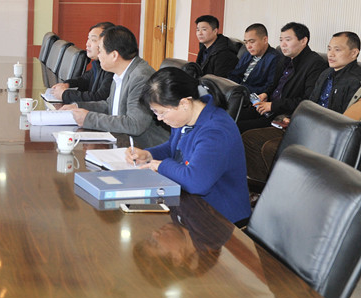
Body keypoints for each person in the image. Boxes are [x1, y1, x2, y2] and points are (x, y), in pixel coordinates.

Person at [126, 67, 251, 224]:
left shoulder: (215, 131)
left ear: (184, 103)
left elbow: (196, 183)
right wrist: (149, 155)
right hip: (189, 204)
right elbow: (174, 148)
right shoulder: (185, 117)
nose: (159, 119)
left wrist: (161, 166)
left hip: (220, 218)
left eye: (161, 112)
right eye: (155, 112)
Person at [243, 31, 361, 186]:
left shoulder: (356, 81)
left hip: (325, 137)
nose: (331, 54)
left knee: (271, 148)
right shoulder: (326, 73)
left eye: (337, 50)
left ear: (354, 53)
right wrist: (295, 119)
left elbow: (345, 122)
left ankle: (278, 189)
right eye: (329, 49)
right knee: (249, 139)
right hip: (307, 127)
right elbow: (310, 103)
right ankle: (262, 188)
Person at [62, 26, 168, 147]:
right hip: (122, 143)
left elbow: (134, 124)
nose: (98, 56)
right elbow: (110, 106)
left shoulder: (141, 77)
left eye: (100, 51)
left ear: (114, 55)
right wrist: (77, 106)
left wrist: (88, 118)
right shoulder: (120, 72)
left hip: (143, 149)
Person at [236, 22, 327, 132]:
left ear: (303, 41)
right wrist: (266, 94)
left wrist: (273, 105)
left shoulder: (315, 64)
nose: (283, 45)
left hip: (283, 116)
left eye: (288, 40)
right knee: (229, 117)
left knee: (237, 127)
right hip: (268, 108)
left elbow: (307, 101)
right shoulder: (285, 59)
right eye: (281, 40)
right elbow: (274, 85)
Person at [50, 21, 114, 103]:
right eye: (88, 39)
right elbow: (84, 80)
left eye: (93, 40)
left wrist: (65, 94)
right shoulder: (97, 63)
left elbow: (99, 97)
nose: (87, 44)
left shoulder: (111, 69)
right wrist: (67, 84)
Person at [226, 23, 280, 94]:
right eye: (246, 42)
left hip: (252, 95)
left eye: (252, 42)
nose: (248, 46)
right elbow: (234, 74)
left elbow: (269, 88)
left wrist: (242, 87)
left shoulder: (274, 58)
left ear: (265, 40)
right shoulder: (247, 54)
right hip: (237, 91)